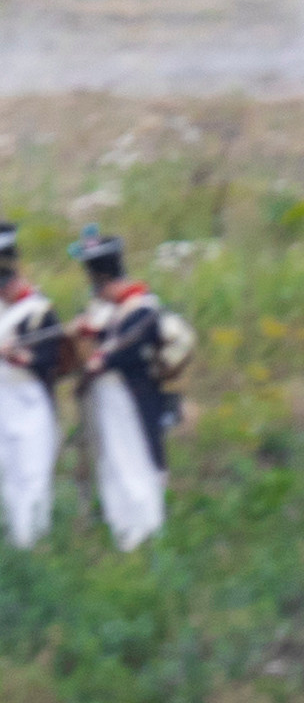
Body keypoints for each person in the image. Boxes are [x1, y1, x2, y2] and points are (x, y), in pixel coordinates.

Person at [67, 228, 181, 552]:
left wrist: (99, 359)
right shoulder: (116, 312)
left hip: (133, 398)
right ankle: (125, 535)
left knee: (137, 465)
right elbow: (109, 336)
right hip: (113, 400)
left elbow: (128, 347)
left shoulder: (143, 308)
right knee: (116, 465)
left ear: (103, 277)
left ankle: (145, 535)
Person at [0, 223, 65, 552]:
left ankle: (33, 544)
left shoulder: (40, 311)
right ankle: (15, 543)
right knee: (7, 476)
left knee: (31, 472)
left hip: (30, 403)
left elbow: (49, 360)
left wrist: (17, 355)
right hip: (3, 403)